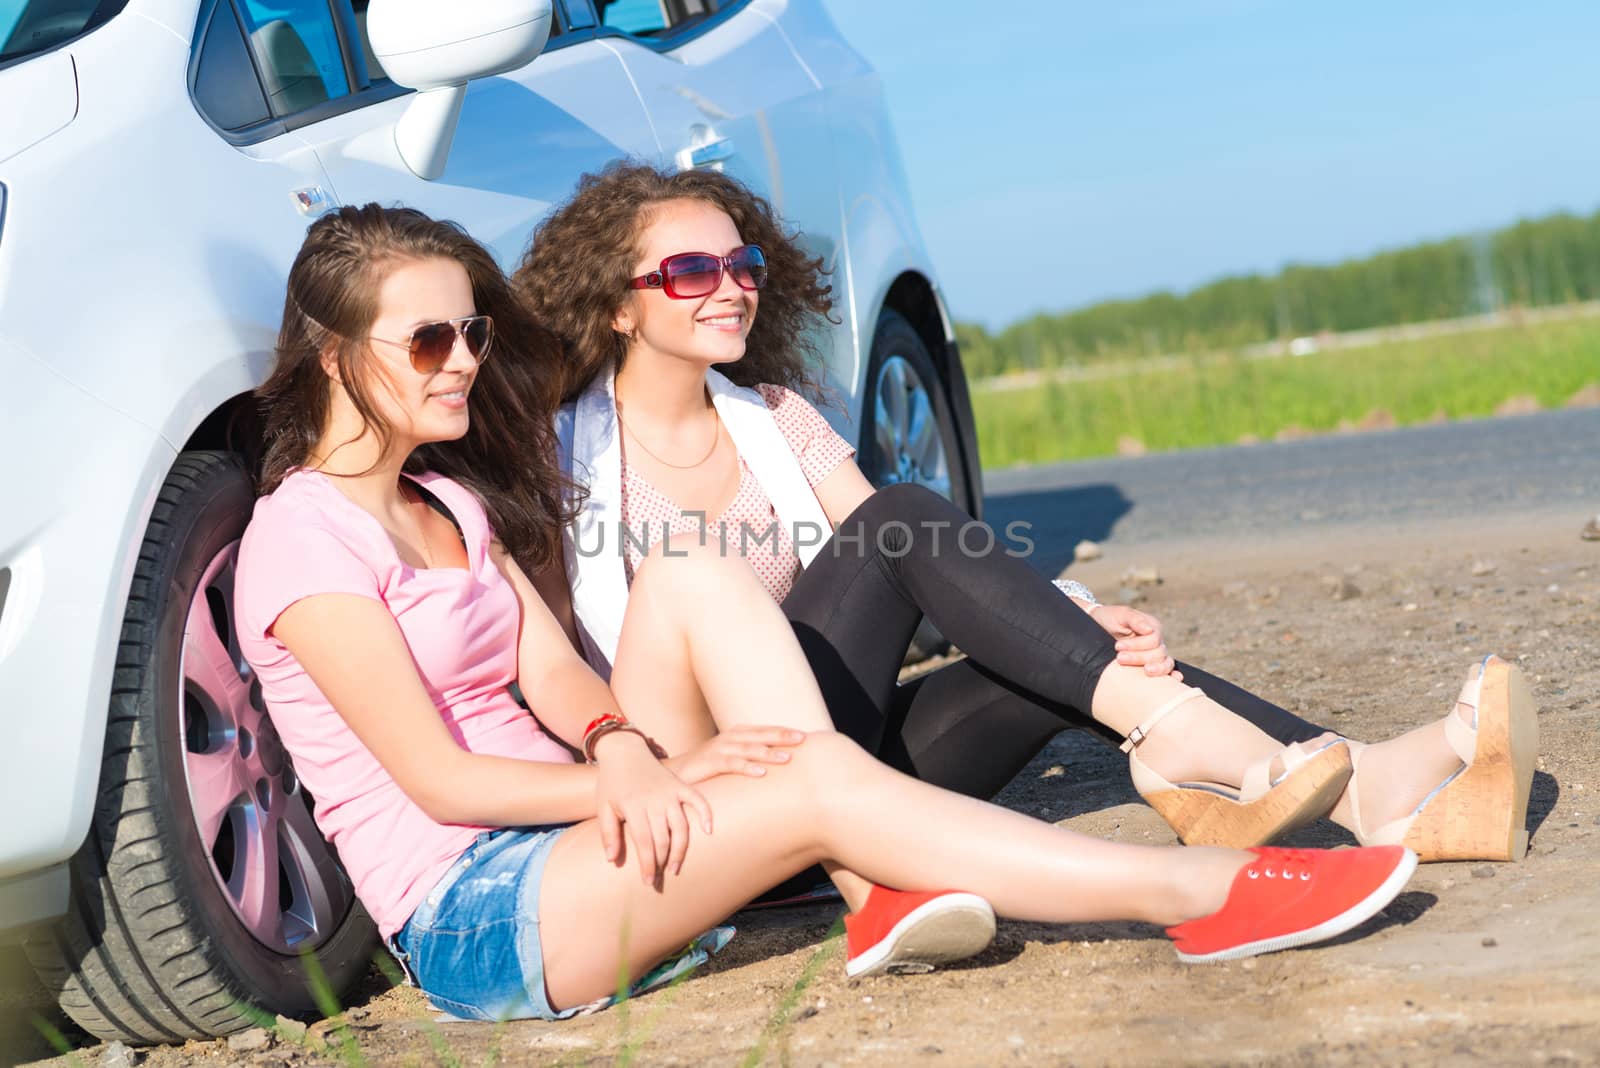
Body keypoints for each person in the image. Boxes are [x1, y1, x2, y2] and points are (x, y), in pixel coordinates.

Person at [235, 204, 1418, 1024]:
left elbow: (558, 685)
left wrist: (623, 746)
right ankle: (1198, 899)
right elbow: (439, 783)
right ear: (335, 357)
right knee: (811, 778)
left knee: (693, 573)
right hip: (483, 912)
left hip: (584, 829)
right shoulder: (303, 536)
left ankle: (883, 876)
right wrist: (636, 783)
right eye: (428, 338)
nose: (460, 360)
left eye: (472, 333)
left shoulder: (444, 501)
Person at [509, 162, 1539, 895]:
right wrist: (617, 771)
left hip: (835, 756)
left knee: (1048, 657)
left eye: (742, 266)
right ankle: (1197, 740)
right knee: (908, 518)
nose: (728, 287)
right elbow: (545, 660)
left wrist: (1075, 621)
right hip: (700, 790)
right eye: (690, 272)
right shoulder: (560, 460)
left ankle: (1371, 791)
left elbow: (917, 589)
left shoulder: (776, 420)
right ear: (616, 306)